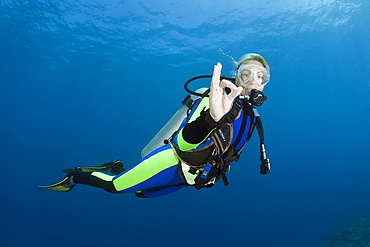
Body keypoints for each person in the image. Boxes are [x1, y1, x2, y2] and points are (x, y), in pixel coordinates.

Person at [40, 53, 271, 198]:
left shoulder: (253, 117)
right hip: (172, 161)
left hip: (193, 177)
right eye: (246, 74)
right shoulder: (218, 99)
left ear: (265, 82)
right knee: (115, 187)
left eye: (260, 76)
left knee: (141, 193)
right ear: (236, 77)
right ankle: (75, 177)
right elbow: (184, 141)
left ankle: (116, 165)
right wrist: (211, 118)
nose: (253, 81)